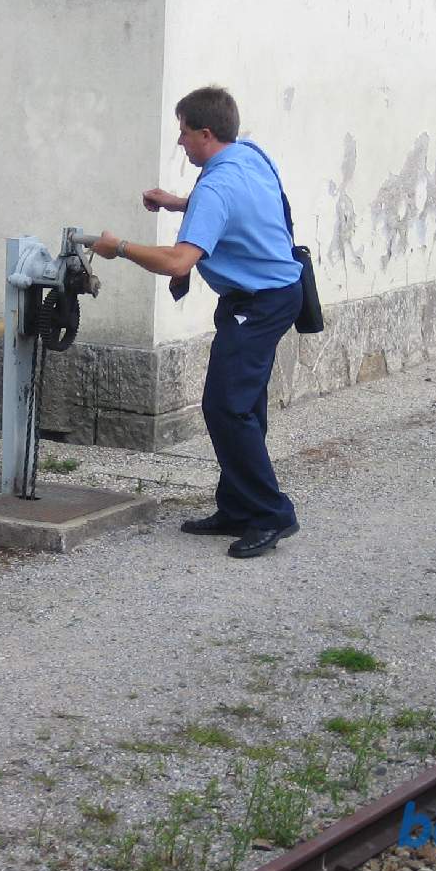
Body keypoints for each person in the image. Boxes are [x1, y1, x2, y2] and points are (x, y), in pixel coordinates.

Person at [90, 86, 303, 559]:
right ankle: (236, 506)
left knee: (226, 408)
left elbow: (178, 262)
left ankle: (271, 512)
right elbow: (245, 204)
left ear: (206, 133)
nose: (180, 142)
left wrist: (118, 248)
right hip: (278, 292)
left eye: (184, 132)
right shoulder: (249, 154)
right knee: (244, 404)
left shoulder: (215, 187)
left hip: (259, 302)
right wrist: (176, 203)